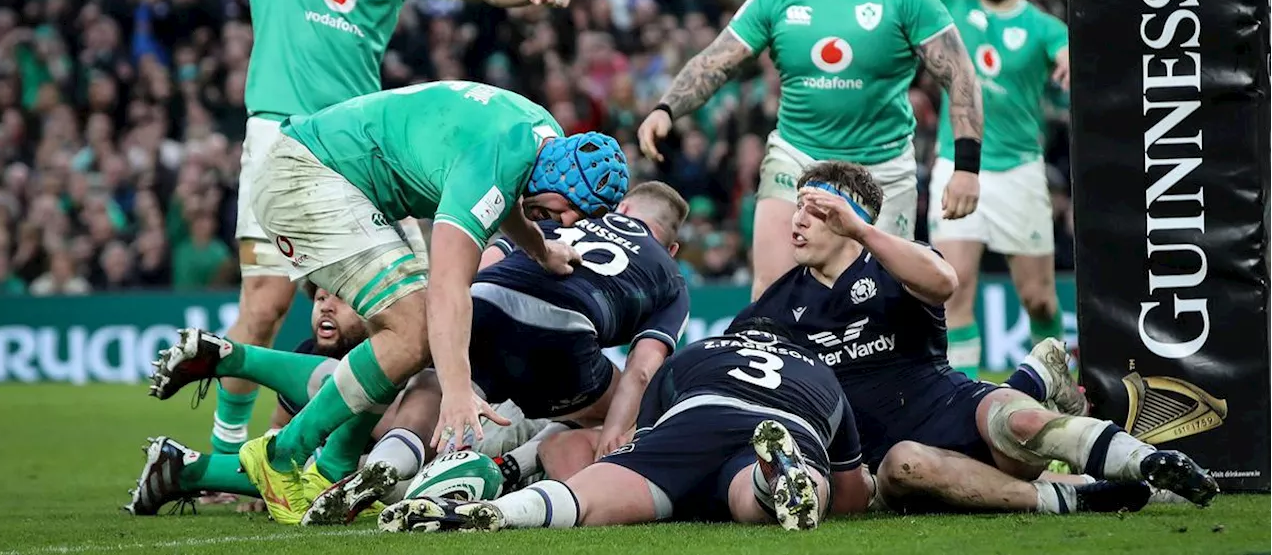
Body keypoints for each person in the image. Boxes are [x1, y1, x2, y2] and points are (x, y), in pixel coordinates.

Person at [190, 0, 573, 458]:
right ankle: (225, 454)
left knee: (407, 316)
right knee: (268, 305)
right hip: (282, 139)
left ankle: (343, 447)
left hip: (366, 155)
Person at [218, 79, 625, 523]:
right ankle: (280, 455)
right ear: (557, 176)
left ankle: (329, 468)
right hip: (308, 177)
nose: (565, 222)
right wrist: (455, 392)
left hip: (339, 174)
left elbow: (508, 198)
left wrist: (539, 249)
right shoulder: (489, 165)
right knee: (413, 330)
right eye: (569, 210)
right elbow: (448, 289)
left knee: (398, 342)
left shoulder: (538, 138)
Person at [733, 160, 1219, 513]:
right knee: (907, 465)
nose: (797, 219)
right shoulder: (777, 305)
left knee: (1021, 424)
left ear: (849, 216)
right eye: (797, 207)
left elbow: (945, 282)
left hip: (953, 408)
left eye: (814, 209)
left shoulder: (893, 262)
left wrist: (863, 233)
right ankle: (1066, 493)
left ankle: (1151, 462)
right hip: (889, 458)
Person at [637, 0, 983, 301]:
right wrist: (665, 108)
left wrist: (967, 166)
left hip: (882, 166)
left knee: (890, 303)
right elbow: (716, 60)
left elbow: (959, 72)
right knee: (772, 291)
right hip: (798, 156)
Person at [302, 181, 693, 524]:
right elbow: (643, 370)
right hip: (563, 335)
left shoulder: (566, 220)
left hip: (486, 298)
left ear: (621, 207)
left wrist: (450, 333)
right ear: (671, 246)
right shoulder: (672, 277)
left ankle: (388, 462)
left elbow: (484, 263)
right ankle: (508, 471)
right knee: (625, 407)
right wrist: (612, 435)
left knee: (436, 384)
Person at [377, 317, 871, 534]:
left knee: (588, 496)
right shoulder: (822, 375)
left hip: (697, 414)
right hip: (788, 420)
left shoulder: (702, 351)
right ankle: (774, 479)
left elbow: (644, 434)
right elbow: (850, 494)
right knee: (751, 498)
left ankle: (506, 512)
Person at [886, 0, 1071, 378]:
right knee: (953, 291)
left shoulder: (1042, 27)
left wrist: (1068, 61)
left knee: (1038, 298)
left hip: (1019, 170)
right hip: (956, 164)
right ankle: (960, 401)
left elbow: (1069, 51)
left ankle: (1059, 382)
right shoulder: (957, 1)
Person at [126, 284, 405, 517]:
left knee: (371, 468)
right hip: (354, 470)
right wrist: (268, 486)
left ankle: (185, 468)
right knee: (305, 460)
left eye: (341, 299)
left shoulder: (405, 367)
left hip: (381, 461)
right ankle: (186, 469)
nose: (326, 307)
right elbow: (278, 432)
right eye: (320, 298)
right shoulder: (305, 354)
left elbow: (395, 428)